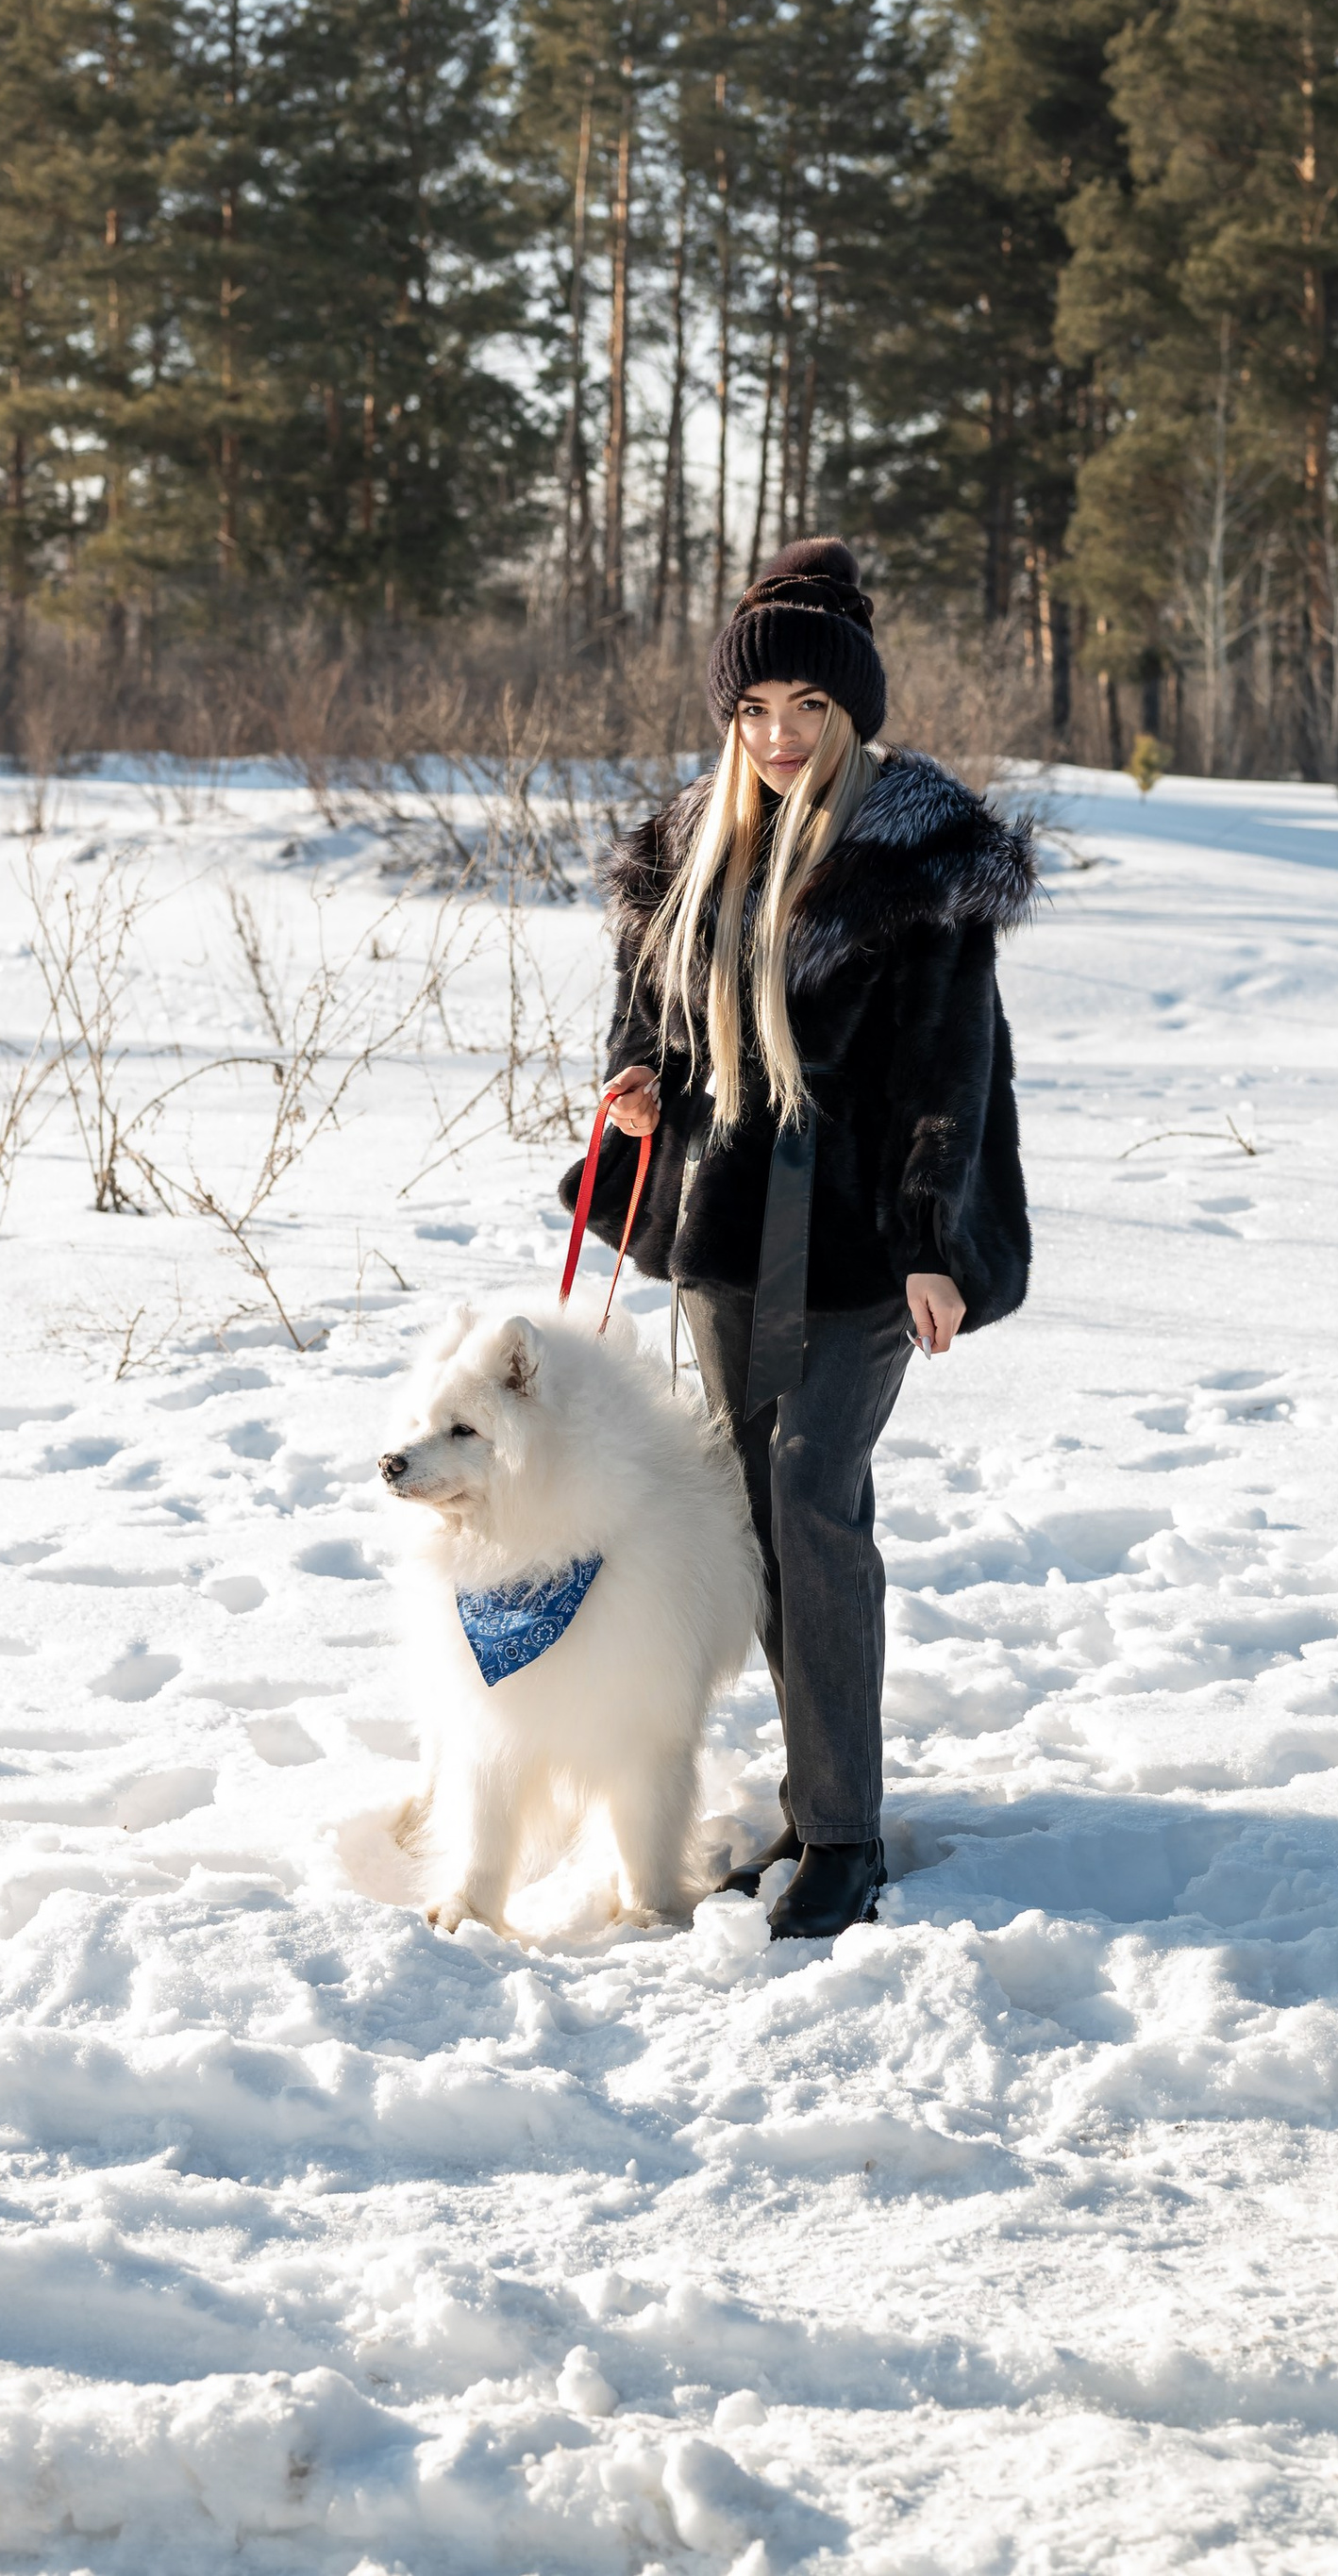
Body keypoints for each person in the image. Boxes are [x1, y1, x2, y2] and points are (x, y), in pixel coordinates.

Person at [563, 537, 1035, 1939]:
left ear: (853, 711)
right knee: (757, 1519)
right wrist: (638, 1086)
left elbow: (949, 1069)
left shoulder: (918, 858)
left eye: (808, 707)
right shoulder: (685, 848)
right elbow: (648, 1023)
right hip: (726, 1231)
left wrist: (931, 1238)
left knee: (816, 1493)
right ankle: (806, 1798)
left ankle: (845, 1835)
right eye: (754, 708)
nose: (777, 735)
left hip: (865, 1239)